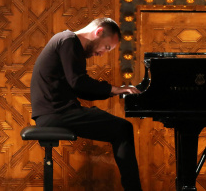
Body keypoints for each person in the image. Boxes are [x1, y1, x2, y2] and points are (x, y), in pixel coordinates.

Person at [30, 17, 142, 191]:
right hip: (56, 113)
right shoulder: (69, 41)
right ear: (98, 32)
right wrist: (115, 89)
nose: (102, 54)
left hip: (54, 112)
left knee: (120, 128)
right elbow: (78, 83)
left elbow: (81, 89)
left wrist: (113, 91)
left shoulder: (67, 41)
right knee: (123, 129)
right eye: (106, 47)